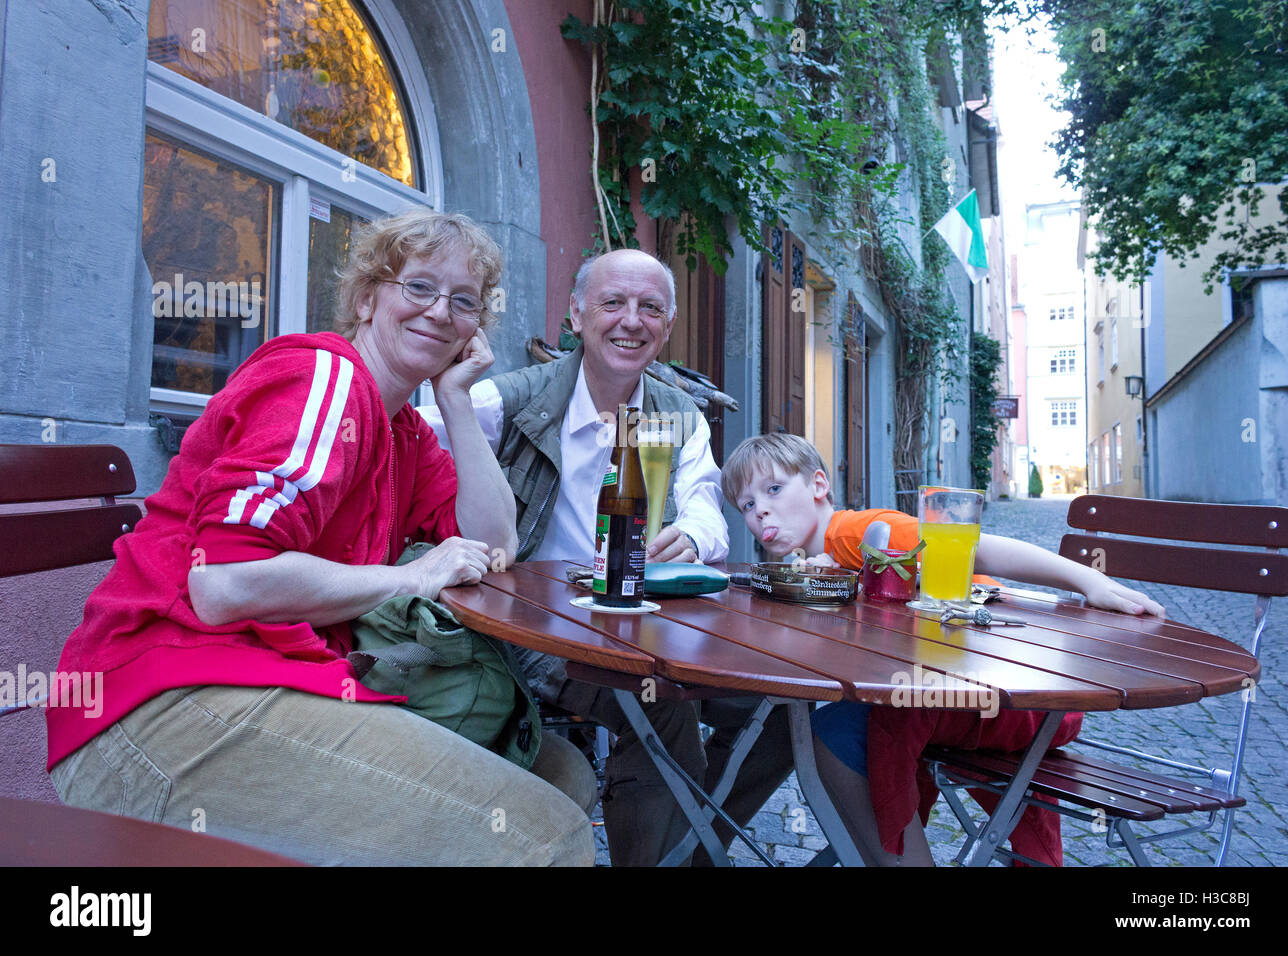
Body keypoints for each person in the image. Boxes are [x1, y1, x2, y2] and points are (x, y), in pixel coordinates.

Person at [46, 209, 596, 866]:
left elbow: (496, 542)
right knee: (547, 838)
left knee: (562, 774)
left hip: (272, 683)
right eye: (418, 287)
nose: (441, 312)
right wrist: (410, 577)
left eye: (464, 302)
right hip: (159, 712)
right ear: (366, 299)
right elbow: (221, 586)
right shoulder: (325, 381)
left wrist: (455, 399)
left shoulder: (404, 434)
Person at [419, 248, 793, 865]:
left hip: (643, 617)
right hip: (530, 624)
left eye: (650, 308)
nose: (631, 320)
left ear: (667, 325)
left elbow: (706, 507)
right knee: (659, 710)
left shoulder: (679, 414)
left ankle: (691, 851)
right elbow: (420, 434)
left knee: (781, 709)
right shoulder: (514, 398)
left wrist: (695, 537)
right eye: (612, 303)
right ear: (575, 315)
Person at [720, 432, 1165, 865]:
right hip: (979, 688)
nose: (761, 510)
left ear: (818, 485)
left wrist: (1090, 581)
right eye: (748, 504)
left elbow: (979, 550)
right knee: (837, 726)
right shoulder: (818, 563)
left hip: (1016, 697)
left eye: (774, 489)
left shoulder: (861, 532)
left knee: (833, 737)